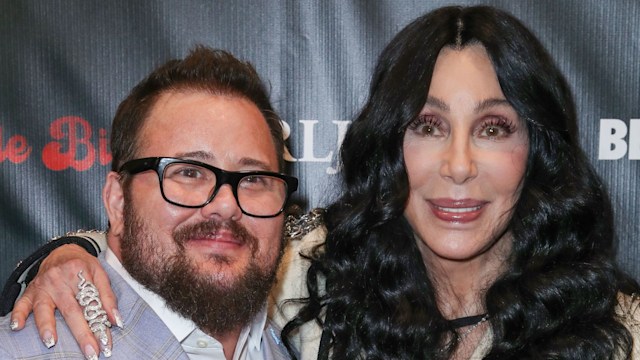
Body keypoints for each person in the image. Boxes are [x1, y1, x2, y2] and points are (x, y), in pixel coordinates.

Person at [4, 5, 640, 359]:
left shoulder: (618, 332)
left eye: (495, 128)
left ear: (538, 150)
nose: (458, 165)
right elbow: (190, 243)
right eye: (427, 124)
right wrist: (67, 256)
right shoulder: (320, 274)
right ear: (390, 145)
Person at [0, 46, 299, 360]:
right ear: (117, 202)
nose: (226, 205)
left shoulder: (296, 342)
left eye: (254, 179)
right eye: (189, 172)